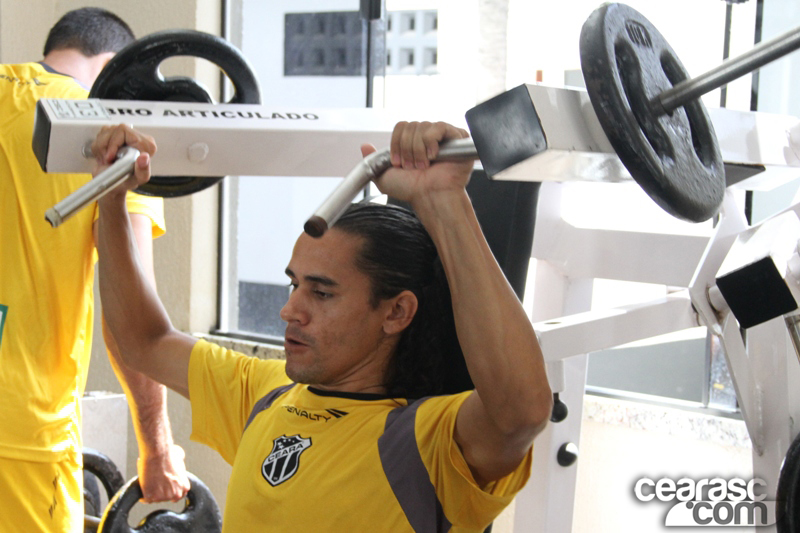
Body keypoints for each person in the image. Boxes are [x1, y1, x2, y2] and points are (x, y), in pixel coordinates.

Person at [93, 120, 553, 531]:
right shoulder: (267, 394)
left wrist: (443, 202)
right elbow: (144, 341)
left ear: (396, 312)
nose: (289, 311)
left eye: (322, 292)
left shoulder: (425, 442)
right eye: (294, 284)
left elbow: (520, 414)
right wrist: (112, 200)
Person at [0, 8, 189, 532]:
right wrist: (157, 446)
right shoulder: (113, 138)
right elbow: (131, 313)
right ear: (113, 67)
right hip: (20, 430)